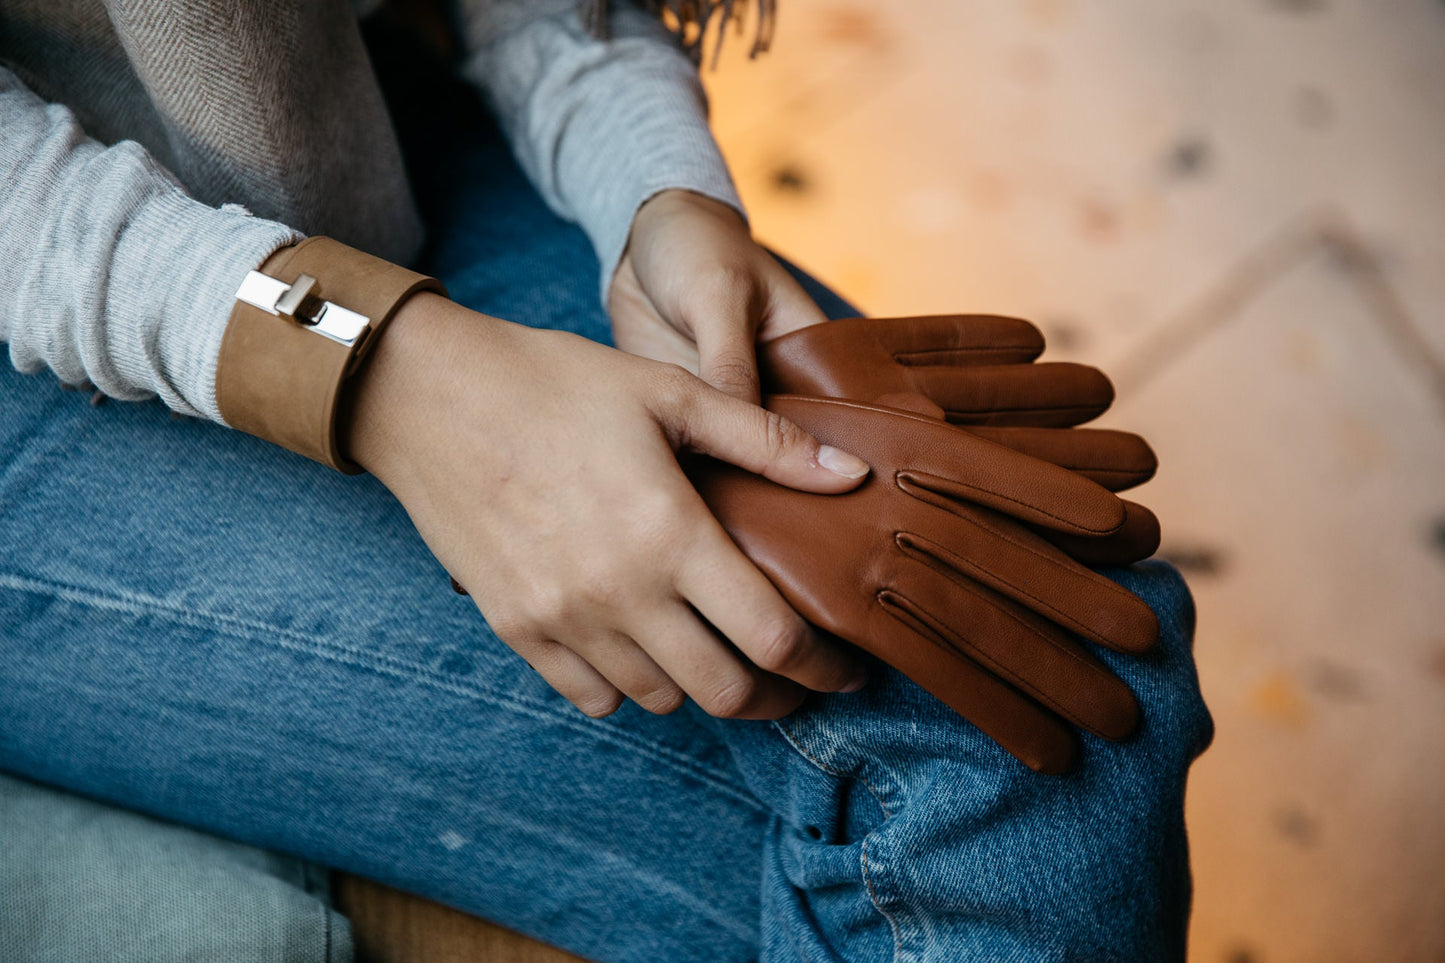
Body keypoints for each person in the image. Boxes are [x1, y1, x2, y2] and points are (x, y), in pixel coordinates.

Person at [0, 1, 1213, 960]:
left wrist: (658, 195)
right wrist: (373, 367)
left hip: (357, 137)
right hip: (37, 343)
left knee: (1057, 686)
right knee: (956, 804)